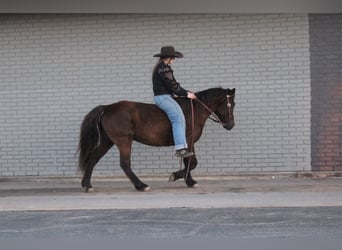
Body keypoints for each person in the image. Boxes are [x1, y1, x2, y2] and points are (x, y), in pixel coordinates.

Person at [152, 46, 197, 158]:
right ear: (169, 57)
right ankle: (180, 149)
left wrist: (184, 92)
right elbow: (173, 85)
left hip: (166, 96)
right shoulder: (164, 68)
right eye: (174, 57)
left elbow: (172, 85)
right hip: (164, 98)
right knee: (178, 119)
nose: (174, 60)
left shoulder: (161, 67)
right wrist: (187, 94)